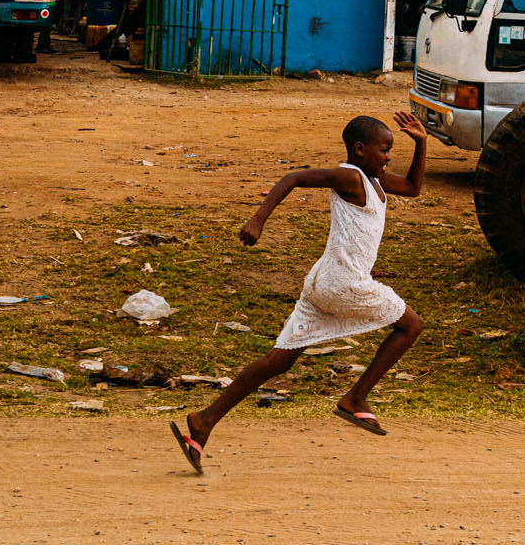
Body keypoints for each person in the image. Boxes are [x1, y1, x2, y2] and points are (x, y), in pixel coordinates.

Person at [169, 112, 428, 473]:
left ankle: (205, 420)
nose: (387, 157)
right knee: (411, 326)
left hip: (323, 281)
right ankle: (355, 397)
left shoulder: (375, 181)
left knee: (281, 359)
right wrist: (258, 219)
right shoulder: (349, 177)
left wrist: (422, 142)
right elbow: (293, 178)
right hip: (344, 283)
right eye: (384, 150)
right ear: (359, 149)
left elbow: (414, 188)